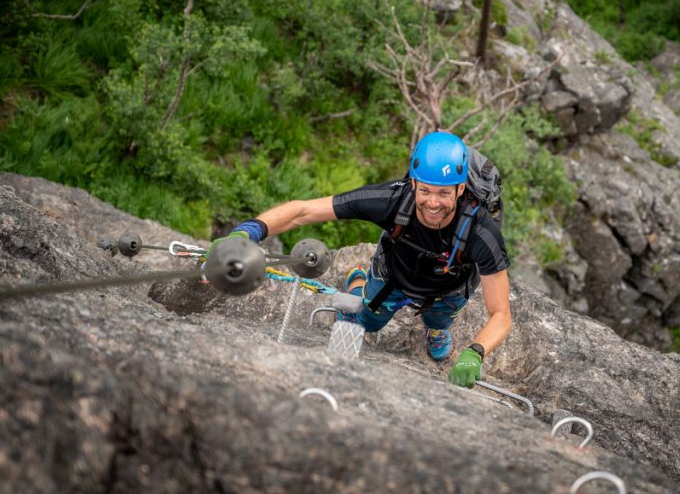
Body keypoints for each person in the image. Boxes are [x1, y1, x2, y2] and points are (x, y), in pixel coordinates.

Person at [214, 131, 512, 388]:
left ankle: (435, 329)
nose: (433, 203)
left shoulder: (481, 232)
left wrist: (475, 352)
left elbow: (500, 313)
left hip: (448, 288)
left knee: (440, 319)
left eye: (444, 193)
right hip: (393, 277)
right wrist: (248, 232)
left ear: (460, 189)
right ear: (413, 184)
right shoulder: (392, 200)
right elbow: (304, 211)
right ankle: (358, 277)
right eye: (425, 191)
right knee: (365, 323)